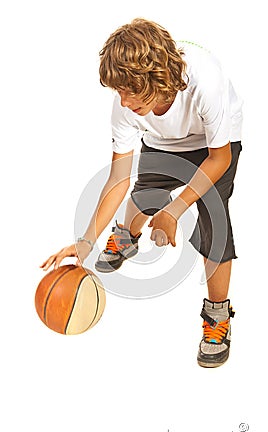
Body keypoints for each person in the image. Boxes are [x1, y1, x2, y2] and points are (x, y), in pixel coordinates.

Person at [41, 18, 243, 368]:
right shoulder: (126, 106)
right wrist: (87, 239)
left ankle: (217, 316)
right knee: (143, 195)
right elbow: (119, 177)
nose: (122, 100)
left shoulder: (205, 81)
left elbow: (219, 157)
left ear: (156, 78)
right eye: (118, 91)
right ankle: (126, 239)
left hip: (213, 146)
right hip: (164, 143)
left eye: (129, 90)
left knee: (215, 220)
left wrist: (176, 209)